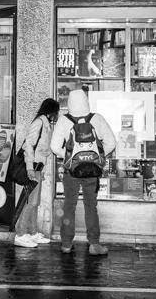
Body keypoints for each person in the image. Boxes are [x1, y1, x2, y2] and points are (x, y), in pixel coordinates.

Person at [50, 89, 116, 255]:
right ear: (86, 101)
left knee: (69, 206)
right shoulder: (97, 118)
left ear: (69, 103)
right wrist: (99, 157)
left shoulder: (64, 121)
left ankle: (66, 243)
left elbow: (54, 146)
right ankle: (94, 244)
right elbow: (111, 142)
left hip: (71, 171)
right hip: (92, 171)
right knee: (91, 206)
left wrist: (68, 157)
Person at [14, 98, 60, 248]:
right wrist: (29, 168)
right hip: (32, 168)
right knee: (31, 201)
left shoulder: (46, 124)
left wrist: (43, 170)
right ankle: (20, 233)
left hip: (38, 168)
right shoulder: (40, 123)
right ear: (51, 111)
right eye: (56, 111)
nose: (57, 114)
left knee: (35, 202)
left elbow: (42, 150)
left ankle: (32, 232)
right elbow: (29, 145)